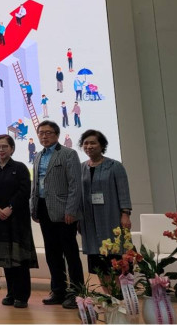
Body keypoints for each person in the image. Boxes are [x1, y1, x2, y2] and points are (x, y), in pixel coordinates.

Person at [30, 120, 83, 309]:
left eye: (48, 132)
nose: (44, 136)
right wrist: (34, 208)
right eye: (41, 133)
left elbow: (75, 184)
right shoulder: (38, 156)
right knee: (52, 253)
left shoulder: (68, 154)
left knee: (70, 253)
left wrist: (71, 210)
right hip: (44, 209)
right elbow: (36, 184)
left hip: (64, 211)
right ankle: (58, 290)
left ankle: (76, 292)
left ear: (57, 135)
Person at [0, 134, 38, 308]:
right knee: (5, 258)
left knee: (19, 259)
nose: (1, 149)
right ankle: (11, 293)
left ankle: (22, 296)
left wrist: (10, 208)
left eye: (5, 146)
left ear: (12, 149)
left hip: (17, 219)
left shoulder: (20, 167)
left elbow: (24, 191)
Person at [79, 130, 132, 278]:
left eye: (93, 143)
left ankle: (120, 291)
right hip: (89, 220)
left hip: (111, 217)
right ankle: (108, 292)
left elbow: (123, 192)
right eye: (85, 143)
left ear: (102, 145)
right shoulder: (81, 168)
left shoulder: (115, 166)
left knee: (116, 256)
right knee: (98, 264)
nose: (89, 146)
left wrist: (125, 214)